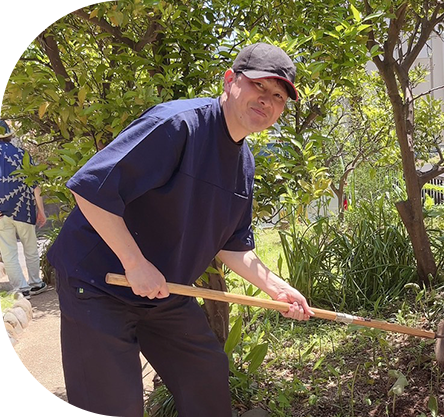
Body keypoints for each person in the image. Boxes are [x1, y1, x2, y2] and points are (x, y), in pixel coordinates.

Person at [47, 42, 314, 417]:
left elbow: (234, 245)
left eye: (278, 96)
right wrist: (134, 263)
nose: (267, 101)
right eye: (258, 87)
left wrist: (279, 289)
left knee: (205, 376)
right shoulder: (177, 124)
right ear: (229, 81)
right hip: (98, 284)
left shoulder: (244, 164)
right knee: (110, 405)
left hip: (164, 292)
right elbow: (91, 190)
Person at [0, 120, 47, 300]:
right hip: (24, 207)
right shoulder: (22, 154)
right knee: (30, 247)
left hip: (1, 211)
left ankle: (21, 288)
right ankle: (35, 283)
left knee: (8, 251)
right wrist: (40, 210)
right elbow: (35, 185)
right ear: (9, 135)